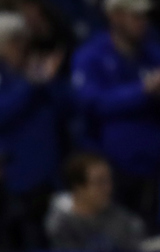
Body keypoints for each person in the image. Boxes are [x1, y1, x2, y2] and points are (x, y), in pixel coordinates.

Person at [0, 11, 68, 246]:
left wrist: (49, 82)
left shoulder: (33, 76)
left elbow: (68, 109)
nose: (22, 47)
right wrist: (31, 86)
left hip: (48, 182)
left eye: (23, 40)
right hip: (7, 186)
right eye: (14, 41)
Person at [71, 0, 160, 229]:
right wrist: (142, 91)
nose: (143, 23)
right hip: (114, 169)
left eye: (145, 16)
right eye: (136, 16)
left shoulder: (152, 52)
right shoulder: (91, 56)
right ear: (116, 16)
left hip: (154, 165)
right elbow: (91, 102)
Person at [46, 152, 149, 252]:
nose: (108, 188)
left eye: (108, 181)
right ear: (78, 187)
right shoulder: (60, 223)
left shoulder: (125, 221)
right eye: (100, 182)